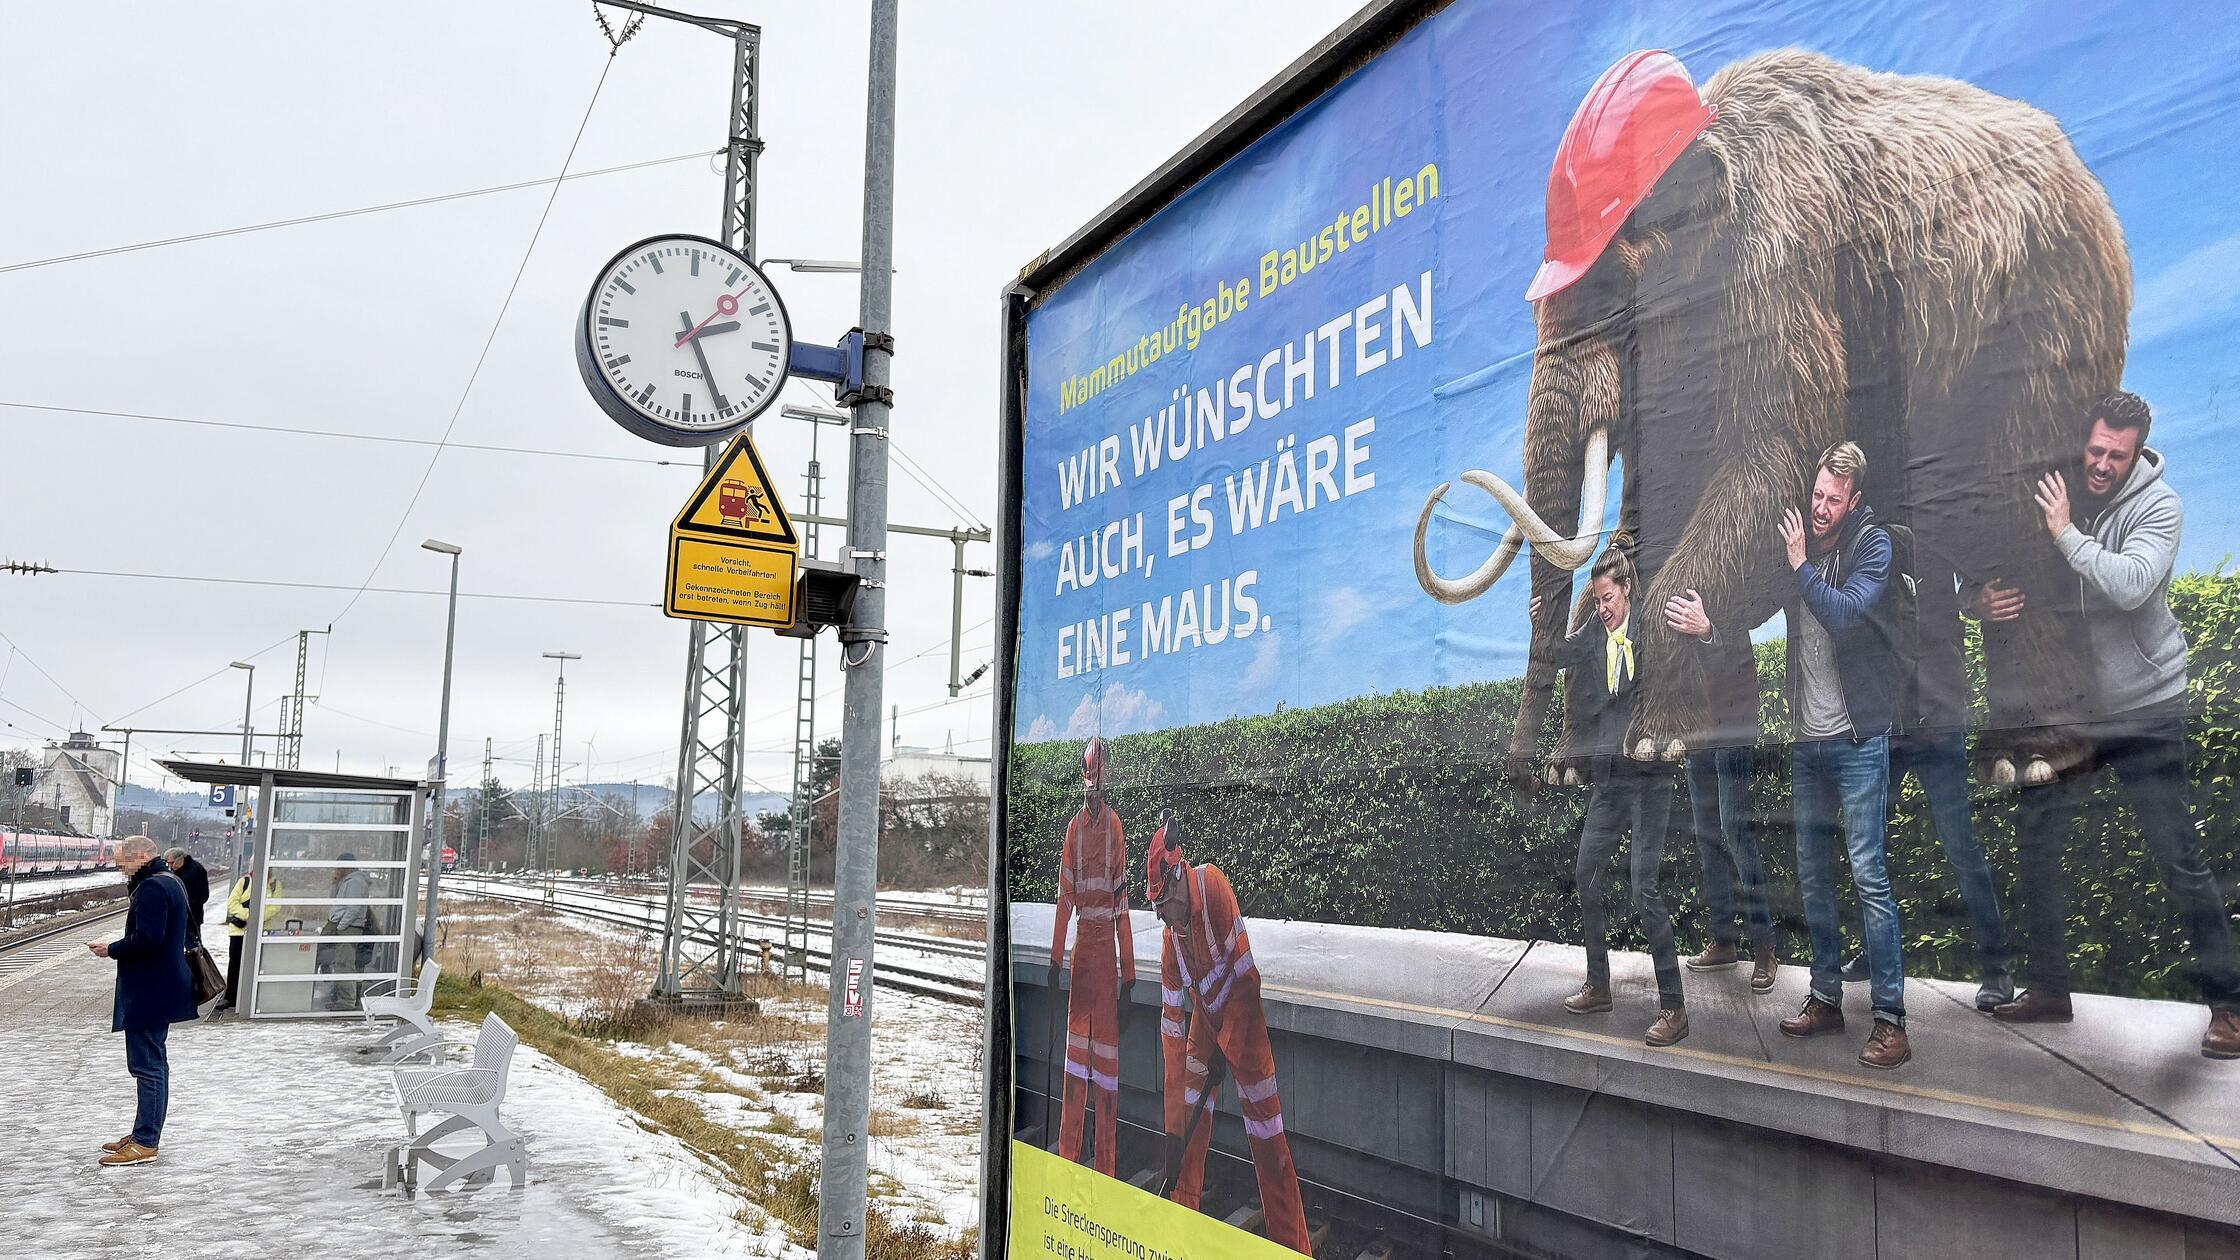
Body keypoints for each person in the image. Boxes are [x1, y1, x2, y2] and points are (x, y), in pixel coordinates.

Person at [1981, 392, 2240, 1057]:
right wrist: (1974, 598)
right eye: (2093, 450)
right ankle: (2049, 989)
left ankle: (2230, 1007)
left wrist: (2067, 531)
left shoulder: (2161, 506)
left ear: (2136, 453)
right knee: (2036, 840)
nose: (2099, 464)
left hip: (2147, 707)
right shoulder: (2064, 485)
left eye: (2113, 456)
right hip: (2074, 711)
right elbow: (2007, 561)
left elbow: (2129, 585)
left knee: (2176, 855)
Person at [1776, 442, 1912, 1069]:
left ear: (1854, 500)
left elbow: (1846, 616)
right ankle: (1825, 999)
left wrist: (1802, 564)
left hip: (1859, 741)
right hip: (1809, 744)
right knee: (1814, 879)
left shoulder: (1873, 545)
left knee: (1869, 877)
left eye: (1833, 499)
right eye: (1816, 496)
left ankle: (1890, 1021)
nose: (1821, 507)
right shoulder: (1799, 548)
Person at [1535, 543, 1689, 1047]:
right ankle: (1599, 984)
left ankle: (1674, 1007)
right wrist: (1542, 622)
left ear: (1626, 591)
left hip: (1650, 781)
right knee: (1587, 874)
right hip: (1610, 781)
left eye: (1608, 598)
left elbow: (1681, 687)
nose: (1602, 608)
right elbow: (1559, 653)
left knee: (1644, 887)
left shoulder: (1655, 632)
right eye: (1597, 600)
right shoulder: (1593, 636)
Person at [1146, 814, 1311, 1255]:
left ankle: (1291, 1246)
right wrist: (1171, 1134)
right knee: (1188, 1131)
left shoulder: (1212, 887)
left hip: (1244, 1018)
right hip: (1206, 1017)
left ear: (1178, 879)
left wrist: (1229, 1043)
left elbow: (1246, 978)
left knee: (1267, 1135)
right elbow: (1170, 1036)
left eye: (1166, 907)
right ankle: (1179, 1230)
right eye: (1158, 911)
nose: (1165, 919)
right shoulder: (1170, 941)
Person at [1662, 588, 1780, 992]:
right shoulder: (1680, 590)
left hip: (1732, 732)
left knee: (1736, 834)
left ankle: (1764, 947)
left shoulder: (1733, 592)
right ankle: (1724, 941)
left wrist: (1708, 630)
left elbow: (1738, 661)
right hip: (1698, 736)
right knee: (1708, 839)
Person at [1047, 737, 1134, 1175]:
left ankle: (1106, 1164)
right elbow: (1068, 898)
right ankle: (1074, 1157)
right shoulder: (1080, 829)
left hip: (1094, 955)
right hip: (1088, 952)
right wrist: (1057, 959)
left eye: (1096, 786)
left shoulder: (1108, 827)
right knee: (1079, 1060)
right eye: (1090, 787)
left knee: (1103, 1065)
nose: (1093, 793)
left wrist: (1129, 970)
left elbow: (1118, 904)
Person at [84, 836, 198, 1166]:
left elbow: (149, 938)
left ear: (143, 856)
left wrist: (112, 949)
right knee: (152, 1063)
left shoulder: (151, 887)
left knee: (147, 1066)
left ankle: (146, 1141)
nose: (121, 871)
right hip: (160, 986)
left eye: (124, 864)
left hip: (150, 989)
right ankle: (142, 1133)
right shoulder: (171, 881)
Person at [216, 865, 282, 1014]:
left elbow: (275, 907)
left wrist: (258, 917)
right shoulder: (244, 881)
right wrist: (249, 915)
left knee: (259, 964)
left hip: (262, 932)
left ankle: (256, 996)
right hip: (239, 932)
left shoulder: (275, 884)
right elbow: (232, 903)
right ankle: (231, 997)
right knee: (235, 964)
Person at [321, 855, 374, 1010]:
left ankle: (347, 1001)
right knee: (338, 961)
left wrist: (341, 926)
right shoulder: (347, 881)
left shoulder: (356, 883)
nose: (336, 869)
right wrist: (335, 883)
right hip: (342, 924)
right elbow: (334, 901)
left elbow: (353, 908)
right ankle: (341, 996)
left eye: (339, 866)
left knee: (345, 964)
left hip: (349, 926)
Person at [163, 847, 210, 946]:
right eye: (168, 863)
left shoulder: (197, 870)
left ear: (180, 858)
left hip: (190, 918)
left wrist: (185, 904)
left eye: (172, 863)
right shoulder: (172, 871)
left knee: (192, 948)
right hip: (174, 916)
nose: (170, 866)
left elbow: (203, 895)